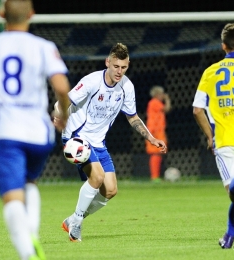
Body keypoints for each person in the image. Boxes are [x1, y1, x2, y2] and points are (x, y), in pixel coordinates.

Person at [54, 43, 167, 242]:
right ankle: (77, 226)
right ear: (108, 62)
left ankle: (72, 218)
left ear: (128, 65)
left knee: (110, 190)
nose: (119, 71)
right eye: (116, 66)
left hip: (98, 142)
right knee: (96, 178)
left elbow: (133, 117)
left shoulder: (127, 87)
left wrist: (151, 138)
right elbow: (65, 100)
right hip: (77, 137)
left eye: (123, 67)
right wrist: (58, 114)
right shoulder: (91, 81)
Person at [0, 1, 70, 259]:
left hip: (5, 132)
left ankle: (27, 253)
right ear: (32, 15)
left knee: (12, 197)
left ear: (1, 15)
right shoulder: (44, 47)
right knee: (29, 183)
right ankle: (32, 232)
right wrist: (64, 115)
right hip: (39, 132)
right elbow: (61, 87)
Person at [192, 23, 234, 249]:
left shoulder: (211, 72)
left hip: (226, 140)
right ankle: (228, 237)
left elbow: (197, 109)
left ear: (223, 46)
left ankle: (229, 237)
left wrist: (209, 136)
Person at [145, 86, 171, 182]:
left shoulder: (154, 103)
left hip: (157, 131)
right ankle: (154, 176)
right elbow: (166, 109)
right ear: (157, 94)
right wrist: (167, 99)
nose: (163, 96)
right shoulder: (154, 102)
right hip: (155, 131)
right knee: (155, 153)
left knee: (158, 153)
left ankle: (156, 176)